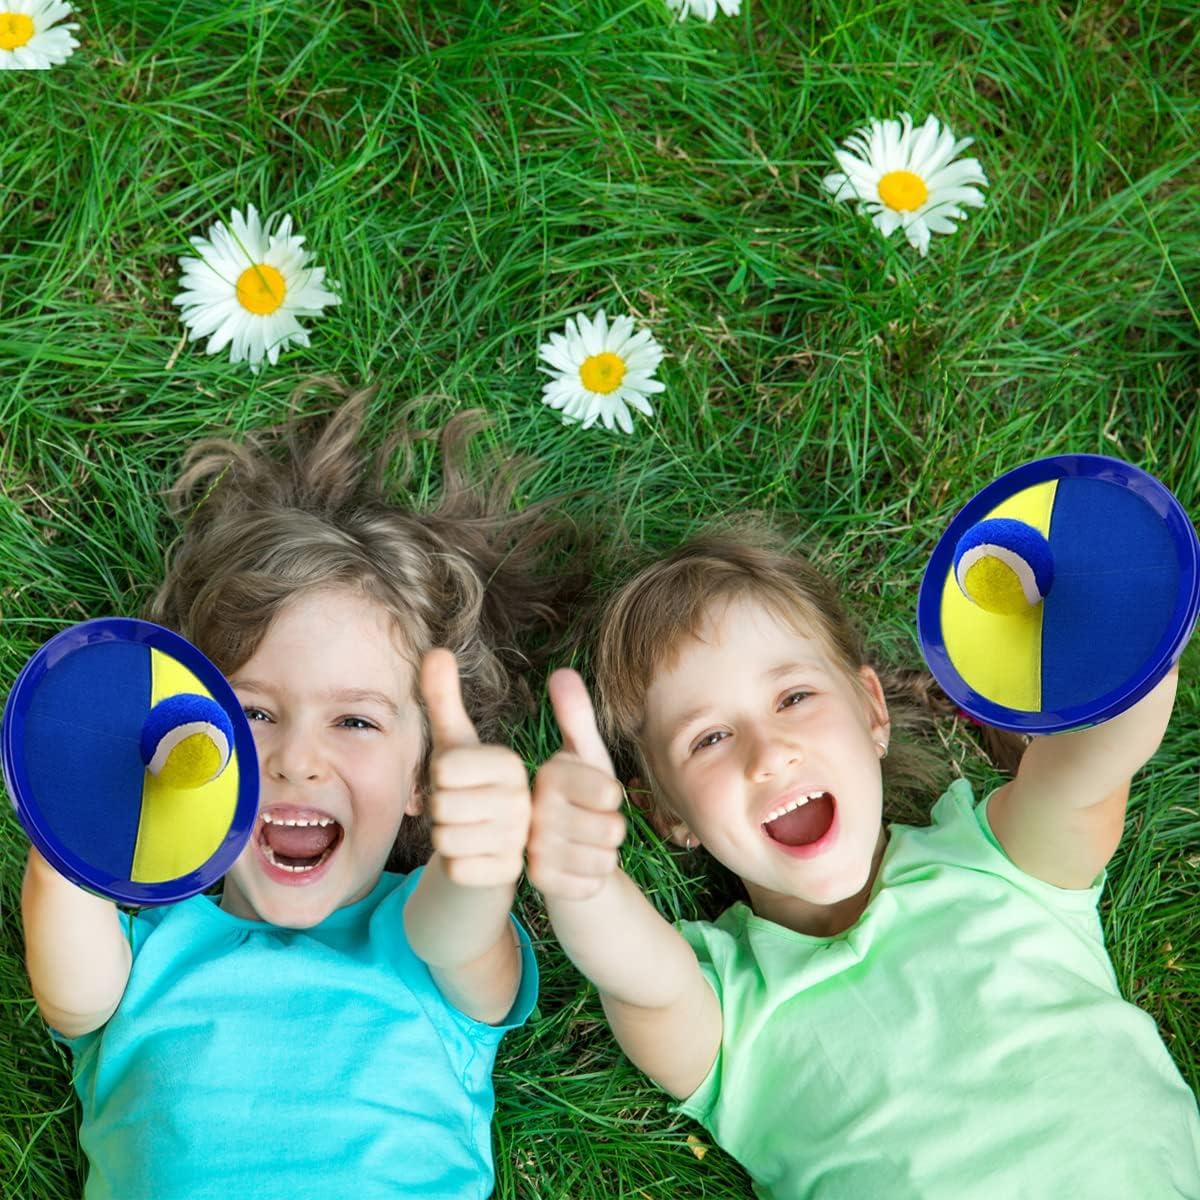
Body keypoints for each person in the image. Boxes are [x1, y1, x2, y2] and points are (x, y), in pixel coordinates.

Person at [21, 378, 579, 1200]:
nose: (296, 761)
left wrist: (480, 859)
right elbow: (71, 999)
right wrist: (87, 805)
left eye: (356, 722)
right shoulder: (148, 948)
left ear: (421, 778)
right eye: (253, 714)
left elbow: (463, 930)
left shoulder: (423, 937)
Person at [527, 526, 1200, 1198]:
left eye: (793, 697)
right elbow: (639, 979)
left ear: (873, 711)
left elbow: (1089, 770)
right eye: (709, 738)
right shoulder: (727, 1010)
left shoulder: (996, 861)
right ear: (670, 815)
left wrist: (1133, 640)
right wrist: (584, 881)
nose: (768, 754)